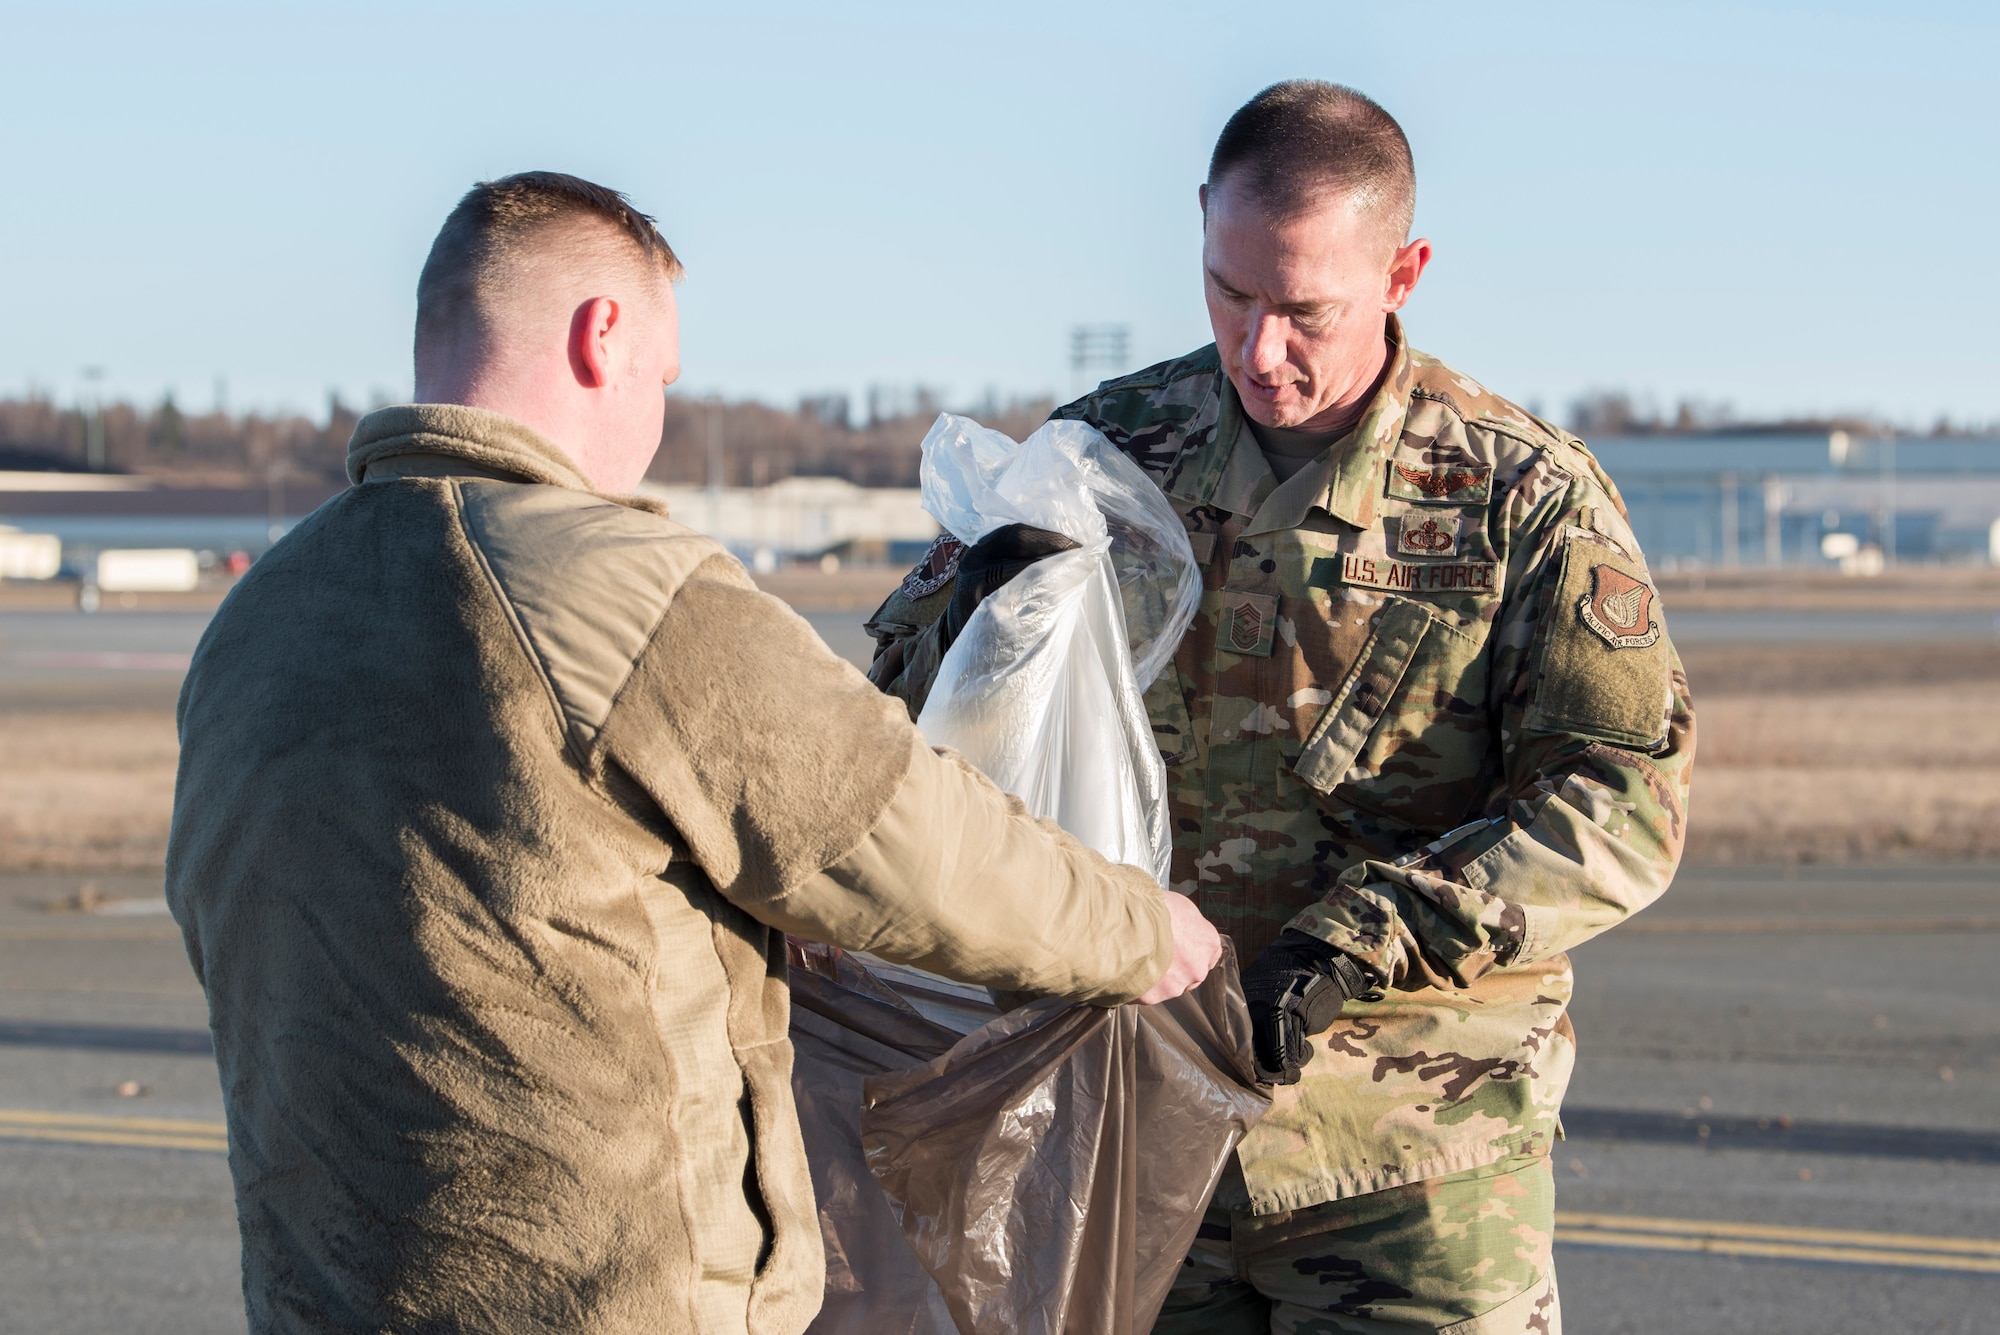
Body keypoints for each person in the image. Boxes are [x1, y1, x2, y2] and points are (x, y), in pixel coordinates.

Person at [166, 171, 1220, 1335]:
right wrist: (1135, 925)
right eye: (663, 378)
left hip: (325, 1292)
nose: (658, 421)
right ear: (600, 333)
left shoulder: (258, 618)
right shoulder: (619, 589)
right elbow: (901, 838)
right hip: (603, 1296)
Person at [867, 83, 1695, 1333]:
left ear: (1402, 270)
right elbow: (906, 722)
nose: (1259, 350)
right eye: (1229, 293)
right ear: (1202, 226)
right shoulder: (1105, 453)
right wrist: (967, 608)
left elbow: (1621, 801)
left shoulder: (1516, 497)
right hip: (1138, 1139)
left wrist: (1365, 937)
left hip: (1409, 1163)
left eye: (1304, 310)